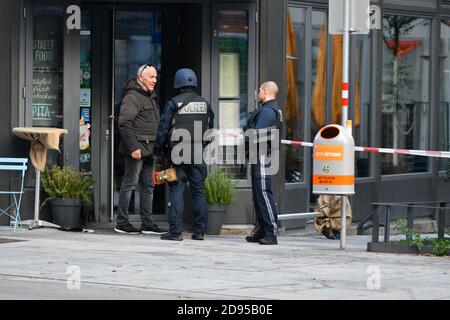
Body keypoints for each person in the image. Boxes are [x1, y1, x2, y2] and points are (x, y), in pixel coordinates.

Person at [153, 68, 214, 241]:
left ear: (177, 83)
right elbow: (210, 129)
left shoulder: (173, 103)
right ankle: (200, 232)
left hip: (177, 154)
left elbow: (163, 129)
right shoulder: (205, 104)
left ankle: (175, 232)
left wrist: (157, 149)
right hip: (196, 154)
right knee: (198, 192)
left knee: (176, 191)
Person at [114, 64, 167, 235]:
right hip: (137, 150)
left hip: (149, 149)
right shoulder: (133, 96)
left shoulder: (149, 96)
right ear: (141, 78)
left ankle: (147, 223)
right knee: (130, 184)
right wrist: (133, 147)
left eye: (155, 77)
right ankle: (122, 222)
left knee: (148, 186)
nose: (154, 80)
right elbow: (124, 124)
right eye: (151, 77)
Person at [244, 81, 282, 245]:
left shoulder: (268, 111)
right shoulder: (271, 110)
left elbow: (255, 133)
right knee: (259, 193)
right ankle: (262, 230)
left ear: (265, 92)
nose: (258, 92)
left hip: (262, 155)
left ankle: (270, 232)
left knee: (263, 192)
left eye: (259, 90)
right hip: (261, 155)